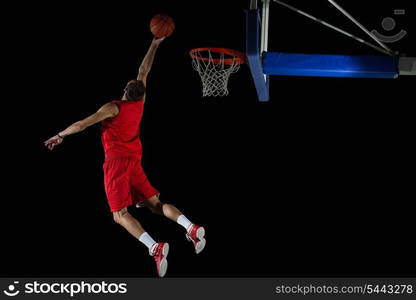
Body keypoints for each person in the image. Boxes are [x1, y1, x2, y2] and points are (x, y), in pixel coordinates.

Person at [44, 37, 206, 277]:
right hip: (135, 162)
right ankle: (191, 228)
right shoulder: (140, 103)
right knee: (155, 205)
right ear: (139, 92)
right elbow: (144, 69)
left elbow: (81, 124)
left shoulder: (113, 107)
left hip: (117, 165)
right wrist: (155, 43)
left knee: (119, 215)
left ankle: (155, 247)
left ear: (124, 91)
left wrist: (60, 135)